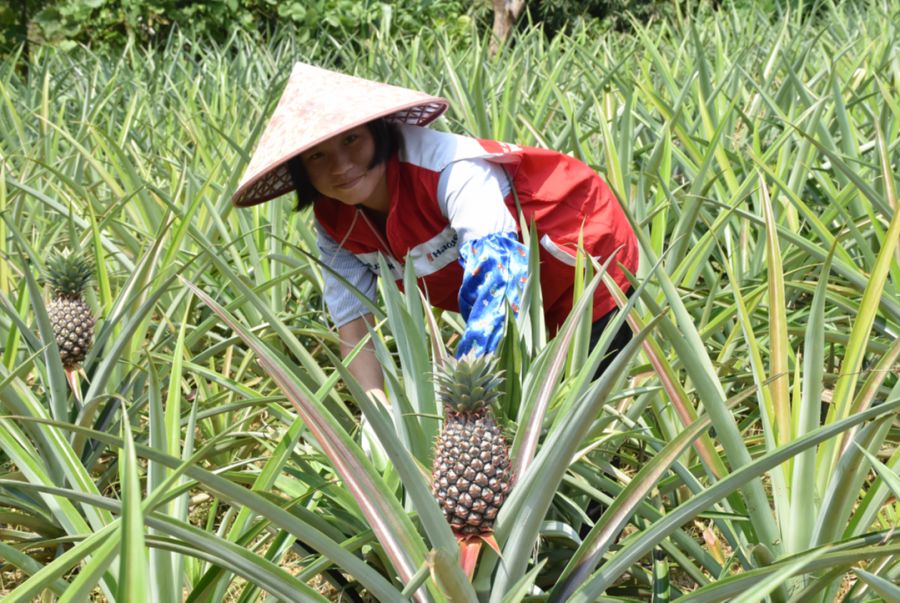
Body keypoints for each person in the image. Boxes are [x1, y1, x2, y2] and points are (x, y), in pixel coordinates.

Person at [232, 62, 638, 392]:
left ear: (377, 130)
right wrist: (376, 413)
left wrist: (463, 393)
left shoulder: (448, 169)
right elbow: (352, 324)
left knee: (588, 406)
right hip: (510, 301)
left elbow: (499, 277)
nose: (341, 166)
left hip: (581, 258)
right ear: (301, 172)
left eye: (351, 140)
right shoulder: (334, 220)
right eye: (317, 157)